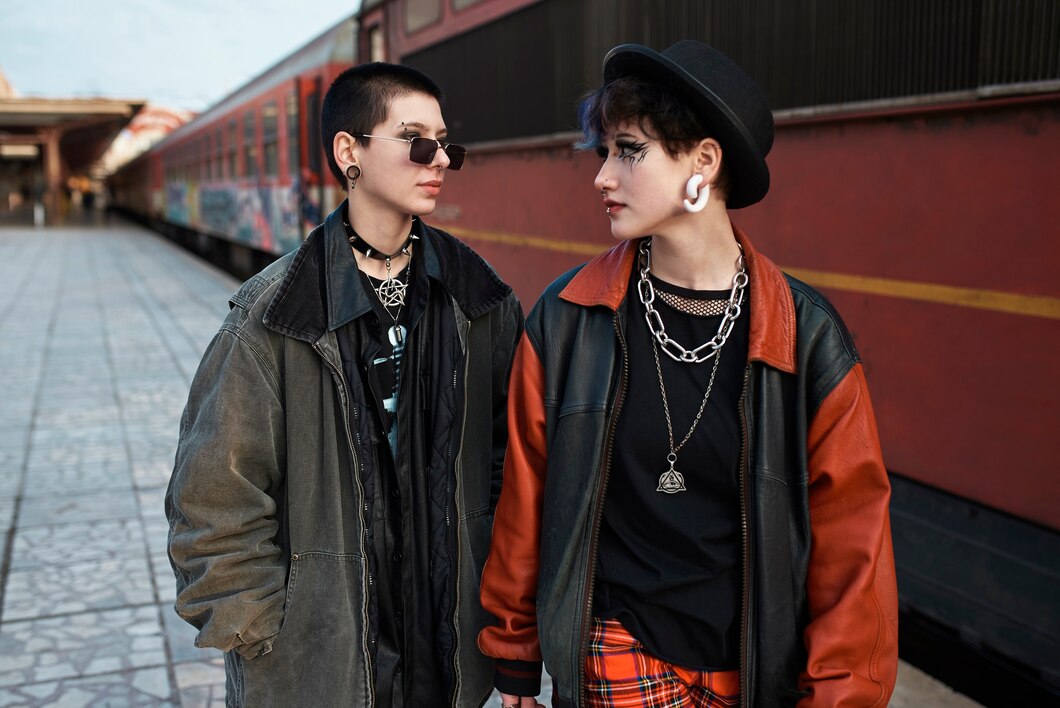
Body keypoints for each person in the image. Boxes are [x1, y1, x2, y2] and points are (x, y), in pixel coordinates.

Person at [477, 41, 898, 707]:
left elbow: (854, 545)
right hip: (618, 646)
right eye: (604, 152)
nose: (602, 177)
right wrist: (515, 652)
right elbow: (524, 500)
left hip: (757, 669)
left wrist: (840, 694)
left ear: (703, 161)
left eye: (628, 151)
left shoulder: (809, 337)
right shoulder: (568, 319)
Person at [166, 62, 522, 707]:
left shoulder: (478, 299)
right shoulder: (276, 314)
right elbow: (213, 495)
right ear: (348, 152)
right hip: (318, 667)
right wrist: (261, 632)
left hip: (446, 657)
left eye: (445, 144)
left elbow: (509, 463)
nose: (439, 159)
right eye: (415, 140)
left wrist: (492, 599)